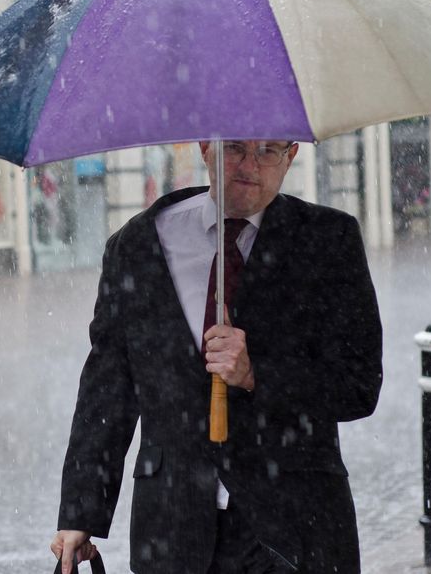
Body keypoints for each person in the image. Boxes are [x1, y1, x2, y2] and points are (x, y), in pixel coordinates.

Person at [50, 140, 383, 574]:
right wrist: (80, 513)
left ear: (291, 156)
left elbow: (359, 386)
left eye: (268, 151)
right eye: (235, 149)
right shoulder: (138, 246)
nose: (250, 165)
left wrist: (256, 374)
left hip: (297, 526)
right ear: (205, 148)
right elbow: (107, 385)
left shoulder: (329, 240)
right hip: (173, 530)